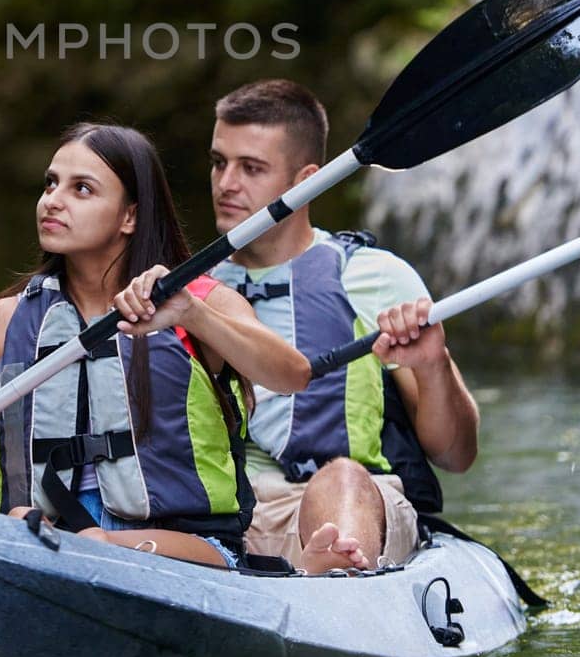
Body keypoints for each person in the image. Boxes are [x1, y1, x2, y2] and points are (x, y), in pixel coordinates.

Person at [0, 121, 310, 570]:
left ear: (130, 216)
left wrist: (193, 315)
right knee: (25, 526)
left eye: (80, 189)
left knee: (92, 543)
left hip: (190, 550)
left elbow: (291, 375)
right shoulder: (3, 324)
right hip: (43, 543)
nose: (52, 202)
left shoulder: (201, 303)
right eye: (50, 184)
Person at [200, 78, 479, 574]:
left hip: (350, 503)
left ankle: (334, 575)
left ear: (306, 179)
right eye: (219, 162)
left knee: (340, 480)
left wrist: (433, 365)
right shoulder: (192, 292)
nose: (226, 184)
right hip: (228, 515)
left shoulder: (374, 276)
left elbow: (457, 456)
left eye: (252, 168)